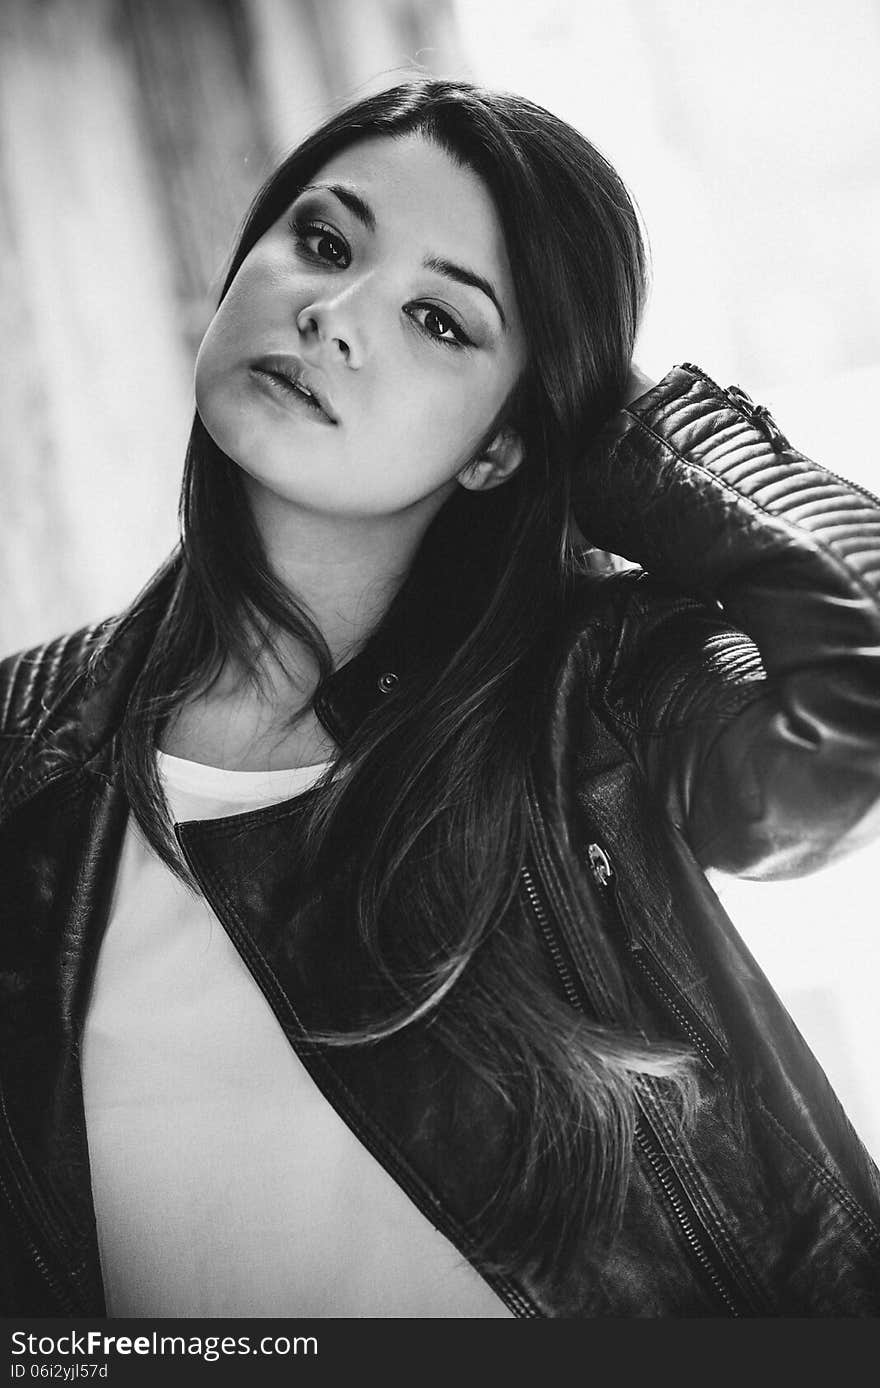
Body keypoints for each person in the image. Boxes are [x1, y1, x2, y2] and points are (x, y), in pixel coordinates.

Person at [1, 77, 879, 1320]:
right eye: (320, 241)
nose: (336, 315)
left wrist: (617, 427)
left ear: (502, 443)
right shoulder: (24, 765)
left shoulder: (597, 699)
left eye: (439, 320)